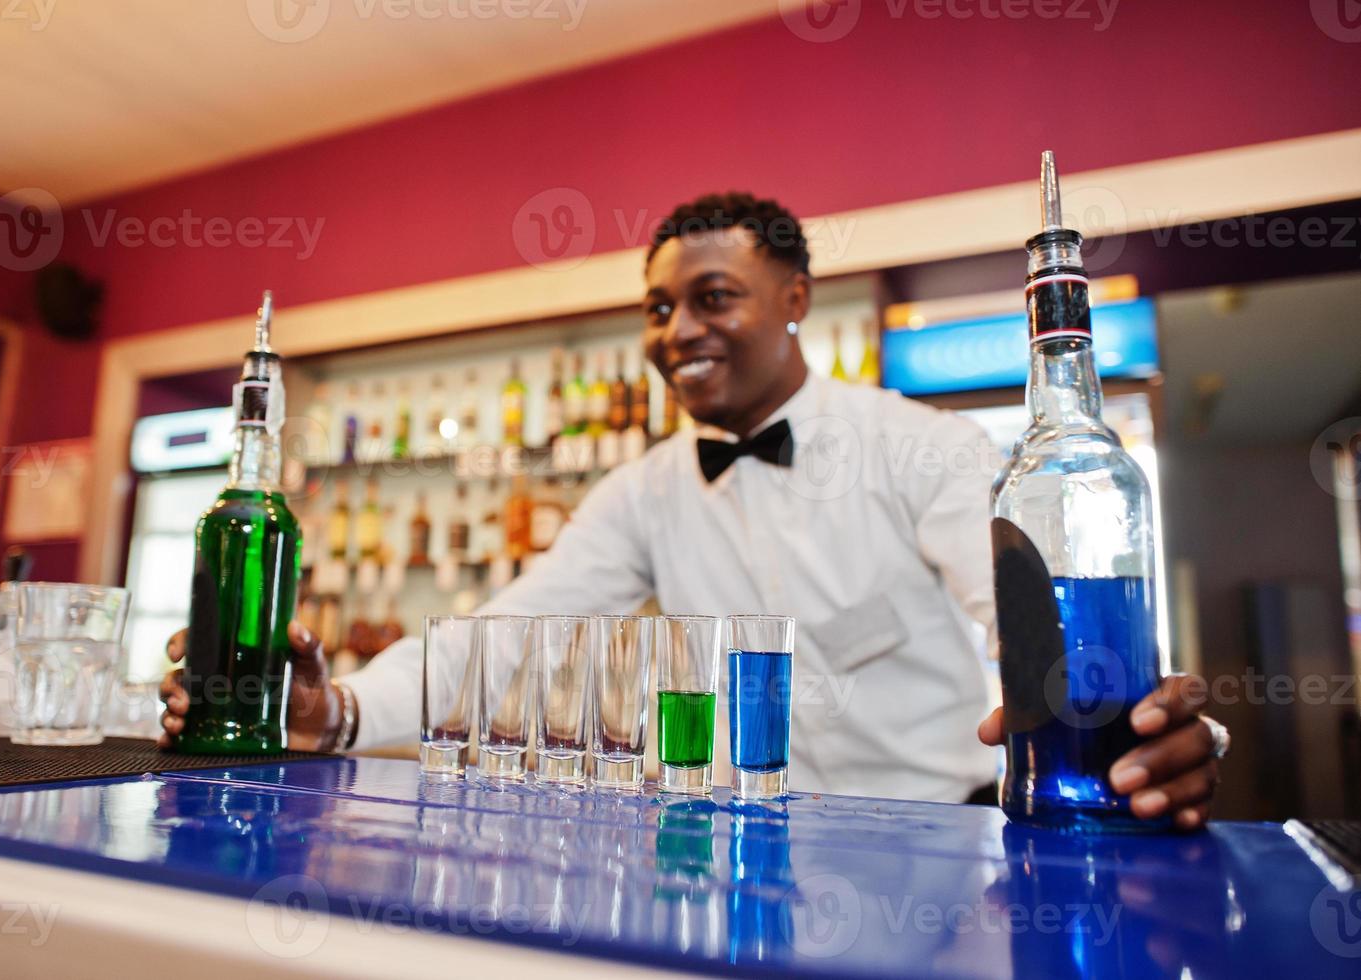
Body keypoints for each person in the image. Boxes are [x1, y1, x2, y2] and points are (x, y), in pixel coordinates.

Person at [159, 193, 1224, 826]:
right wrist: (337, 711)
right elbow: (515, 625)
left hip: (943, 839)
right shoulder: (645, 491)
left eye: (714, 297)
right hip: (742, 839)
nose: (677, 332)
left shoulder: (920, 445)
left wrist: (1122, 724)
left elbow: (1017, 616)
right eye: (659, 308)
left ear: (796, 298)